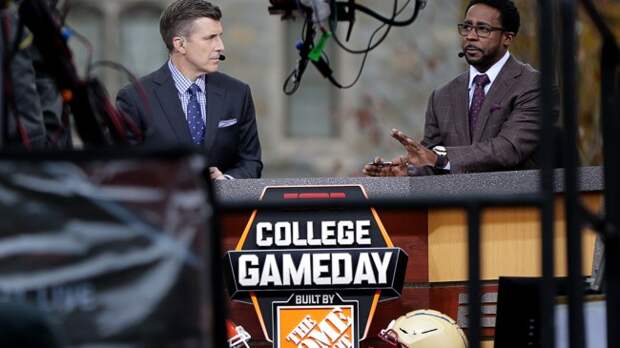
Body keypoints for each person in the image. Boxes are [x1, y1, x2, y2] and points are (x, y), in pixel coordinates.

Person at [364, 0, 553, 177]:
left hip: (516, 209)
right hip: (455, 210)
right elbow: (431, 163)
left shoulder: (535, 86)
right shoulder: (442, 96)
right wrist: (410, 172)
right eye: (467, 27)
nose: (471, 36)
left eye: (483, 29)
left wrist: (440, 157)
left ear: (507, 38)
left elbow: (509, 149)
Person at [116, 0, 262, 179]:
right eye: (210, 38)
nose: (220, 46)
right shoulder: (134, 99)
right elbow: (124, 171)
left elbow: (250, 162)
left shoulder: (238, 93)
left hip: (224, 206)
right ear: (180, 44)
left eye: (220, 36)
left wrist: (225, 182)